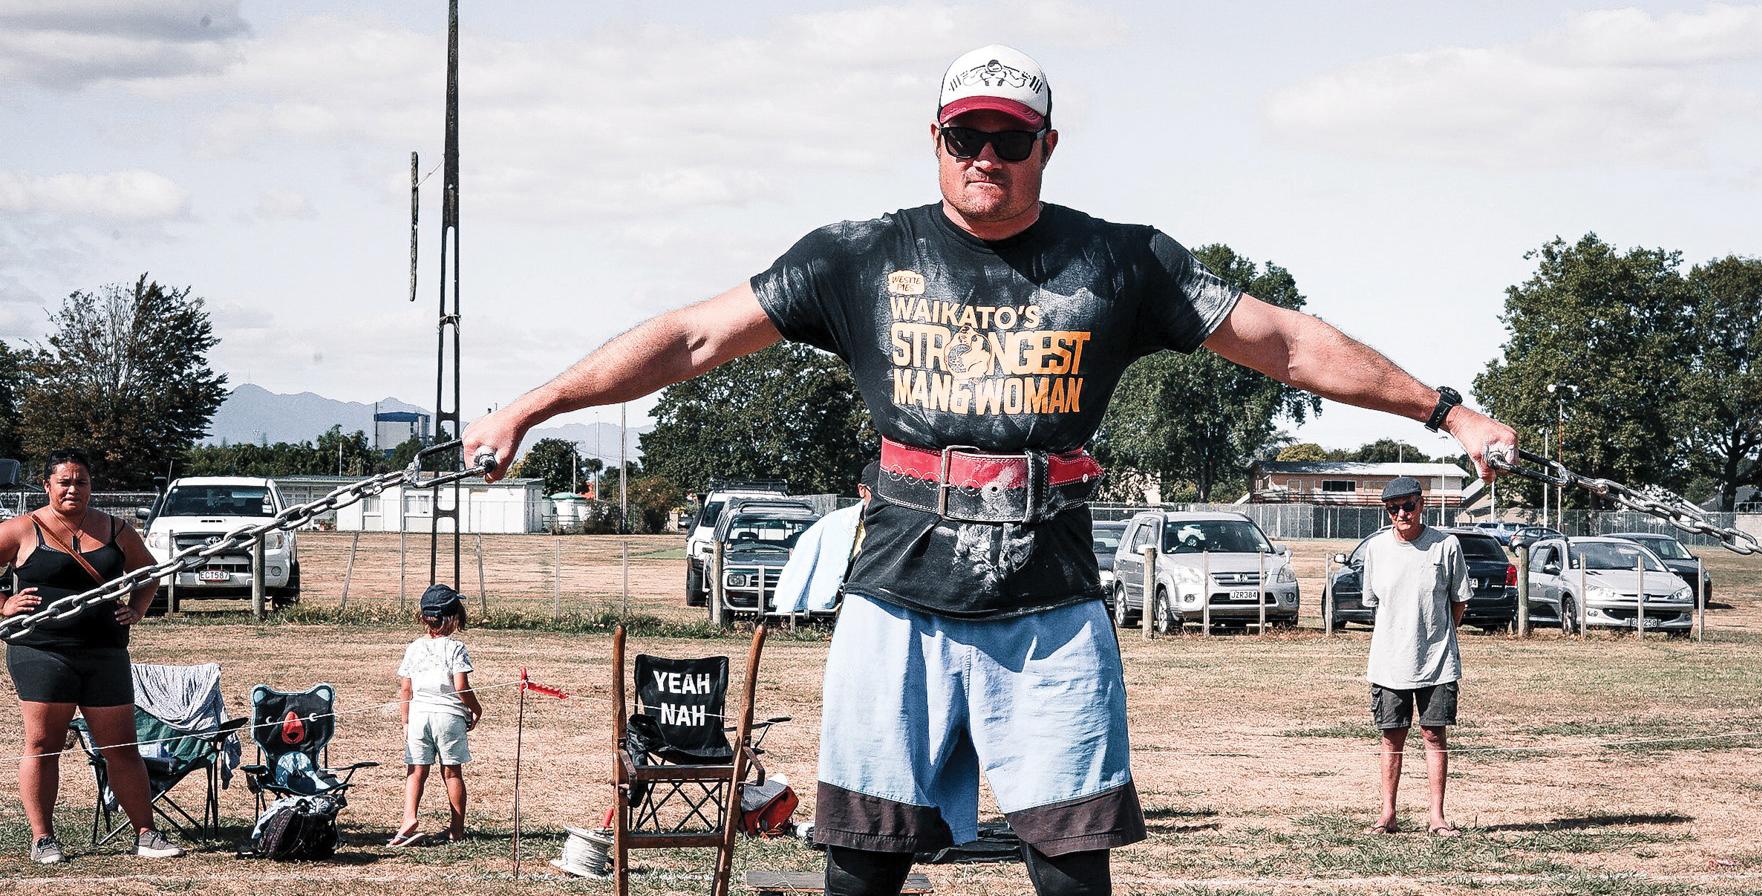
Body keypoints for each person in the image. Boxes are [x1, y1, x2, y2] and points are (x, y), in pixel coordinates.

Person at [461, 44, 1517, 896]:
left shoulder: (1122, 261)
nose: (985, 156)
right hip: (897, 592)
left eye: (1008, 139)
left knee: (1067, 858)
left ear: (1045, 146)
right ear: (935, 139)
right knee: (861, 854)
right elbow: (694, 338)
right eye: (965, 135)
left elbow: (1285, 344)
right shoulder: (858, 254)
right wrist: (532, 405)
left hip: (1049, 600)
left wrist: (1445, 409)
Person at [0, 448, 182, 862]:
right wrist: (4, 604)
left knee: (120, 745)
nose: (73, 489)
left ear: (90, 486)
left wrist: (137, 608)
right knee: (44, 742)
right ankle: (43, 838)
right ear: (46, 486)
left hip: (105, 652)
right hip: (41, 651)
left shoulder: (117, 530)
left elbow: (147, 573)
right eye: (64, 482)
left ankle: (146, 834)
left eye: (81, 481)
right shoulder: (21, 530)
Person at [1358, 476, 1472, 837]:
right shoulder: (1376, 550)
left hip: (1437, 662)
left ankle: (1437, 817)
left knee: (1433, 735)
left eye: (1408, 505)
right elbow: (1373, 605)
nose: (1401, 514)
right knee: (1392, 737)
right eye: (1393, 509)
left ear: (1422, 504)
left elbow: (1459, 602)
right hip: (1389, 663)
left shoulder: (1446, 545)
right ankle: (1387, 815)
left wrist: (1439, 637)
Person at [392, 584, 484, 846]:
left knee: (416, 770)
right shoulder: (455, 648)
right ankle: (456, 829)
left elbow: (406, 689)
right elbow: (461, 687)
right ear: (454, 618)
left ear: (424, 617)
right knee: (452, 773)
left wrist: (406, 722)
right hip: (448, 718)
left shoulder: (414, 648)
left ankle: (408, 818)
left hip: (419, 716)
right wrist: (476, 710)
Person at [771, 461, 877, 617]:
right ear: (862, 490)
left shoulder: (898, 525)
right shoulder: (834, 523)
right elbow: (805, 557)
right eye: (877, 492)